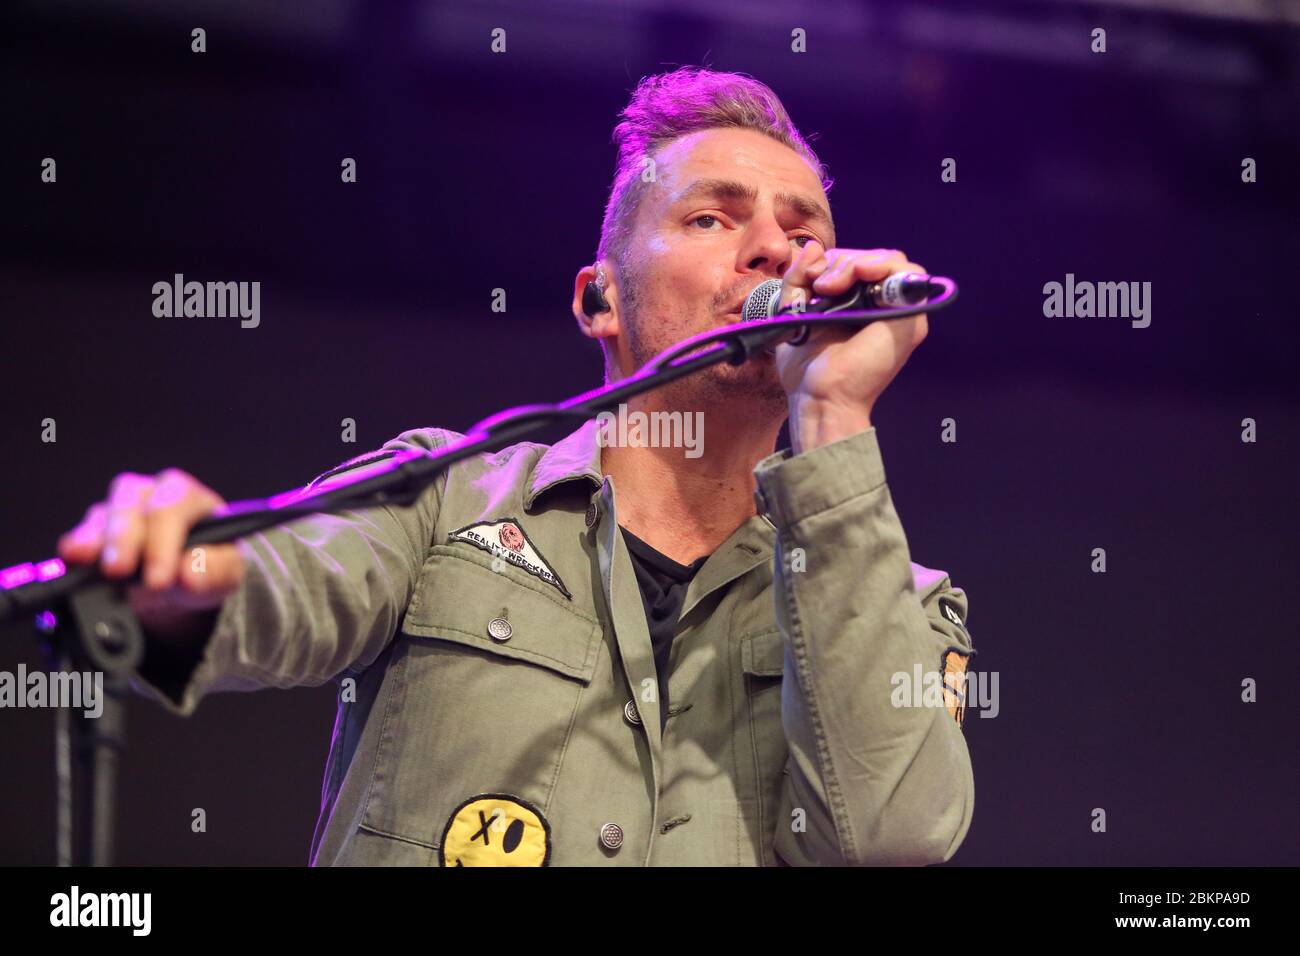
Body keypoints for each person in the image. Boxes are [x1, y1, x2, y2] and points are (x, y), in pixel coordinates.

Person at [56, 66, 976, 866]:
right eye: (711, 216)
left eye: (803, 230)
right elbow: (274, 589)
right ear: (600, 300)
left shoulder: (901, 602)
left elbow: (890, 835)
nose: (778, 248)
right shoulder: (440, 496)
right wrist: (184, 566)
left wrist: (833, 412)